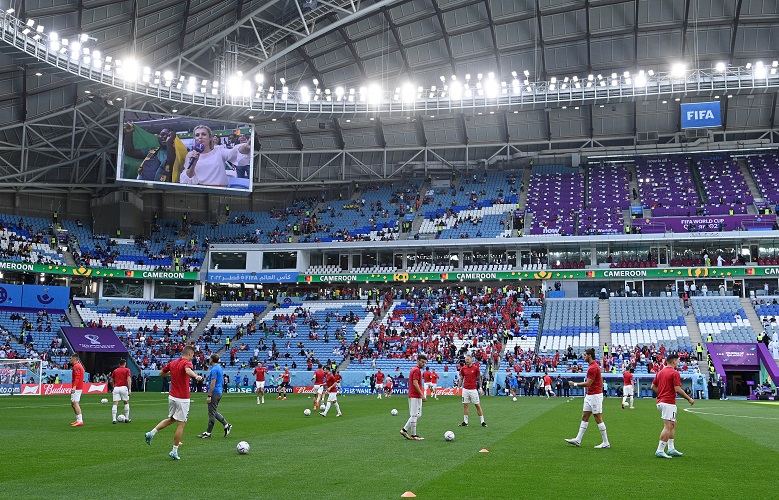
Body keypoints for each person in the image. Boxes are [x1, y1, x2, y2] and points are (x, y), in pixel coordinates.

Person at [145, 345, 203, 460]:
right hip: (182, 397)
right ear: (190, 354)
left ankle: (151, 433)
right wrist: (196, 376)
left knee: (171, 419)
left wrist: (171, 374)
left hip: (172, 396)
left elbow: (161, 374)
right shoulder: (187, 363)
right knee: (181, 424)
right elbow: (187, 370)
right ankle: (174, 451)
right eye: (192, 355)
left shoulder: (173, 363)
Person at [651, 354, 695, 458]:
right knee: (668, 426)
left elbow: (653, 386)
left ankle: (671, 448)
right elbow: (678, 389)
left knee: (673, 423)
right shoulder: (674, 373)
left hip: (661, 401)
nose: (678, 363)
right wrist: (689, 398)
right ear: (674, 362)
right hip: (668, 402)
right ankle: (660, 450)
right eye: (678, 361)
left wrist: (661, 393)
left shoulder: (660, 372)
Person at [565, 348, 610, 449]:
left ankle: (606, 442)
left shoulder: (593, 367)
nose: (584, 357)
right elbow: (600, 380)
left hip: (594, 396)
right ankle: (578, 439)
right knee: (585, 417)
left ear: (589, 355)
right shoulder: (592, 366)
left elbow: (589, 383)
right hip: (590, 395)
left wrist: (574, 384)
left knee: (598, 418)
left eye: (585, 355)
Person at [180, 125, 251, 187]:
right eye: (197, 135)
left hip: (219, 189)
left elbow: (234, 152)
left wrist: (246, 147)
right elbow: (189, 176)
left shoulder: (219, 151)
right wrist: (194, 163)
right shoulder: (190, 155)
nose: (200, 137)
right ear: (195, 138)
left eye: (204, 134)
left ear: (210, 138)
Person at [197, 354, 232, 439]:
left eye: (210, 359)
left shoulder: (214, 370)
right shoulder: (219, 368)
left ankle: (208, 433)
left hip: (215, 393)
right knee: (213, 411)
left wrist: (209, 395)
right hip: (219, 391)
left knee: (211, 413)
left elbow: (213, 383)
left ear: (212, 360)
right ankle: (226, 425)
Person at [400, 353, 427, 441]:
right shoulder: (416, 370)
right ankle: (414, 435)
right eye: (422, 362)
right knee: (415, 414)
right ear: (418, 360)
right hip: (415, 395)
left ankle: (404, 430)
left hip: (416, 395)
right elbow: (415, 383)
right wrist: (422, 395)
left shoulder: (416, 370)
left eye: (425, 363)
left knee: (418, 414)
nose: (424, 364)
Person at [457, 355, 487, 427]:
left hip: (473, 389)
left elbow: (479, 378)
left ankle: (482, 421)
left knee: (477, 405)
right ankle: (465, 421)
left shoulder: (476, 368)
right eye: (465, 360)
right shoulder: (463, 368)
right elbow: (461, 378)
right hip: (465, 389)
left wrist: (480, 387)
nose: (466, 361)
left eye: (468, 359)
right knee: (465, 405)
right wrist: (458, 388)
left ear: (471, 359)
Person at [110, 359, 132, 424]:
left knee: (115, 403)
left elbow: (111, 380)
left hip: (116, 388)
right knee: (126, 402)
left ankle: (114, 419)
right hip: (123, 387)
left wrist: (113, 387)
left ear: (119, 364)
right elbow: (128, 379)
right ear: (124, 363)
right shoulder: (127, 370)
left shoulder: (115, 370)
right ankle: (127, 418)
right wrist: (130, 389)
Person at [70, 353, 85, 427]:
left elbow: (77, 377)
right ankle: (78, 419)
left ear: (74, 359)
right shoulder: (79, 366)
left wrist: (74, 386)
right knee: (73, 404)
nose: (70, 360)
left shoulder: (76, 366)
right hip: (77, 387)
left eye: (71, 358)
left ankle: (80, 421)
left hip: (77, 388)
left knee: (75, 403)